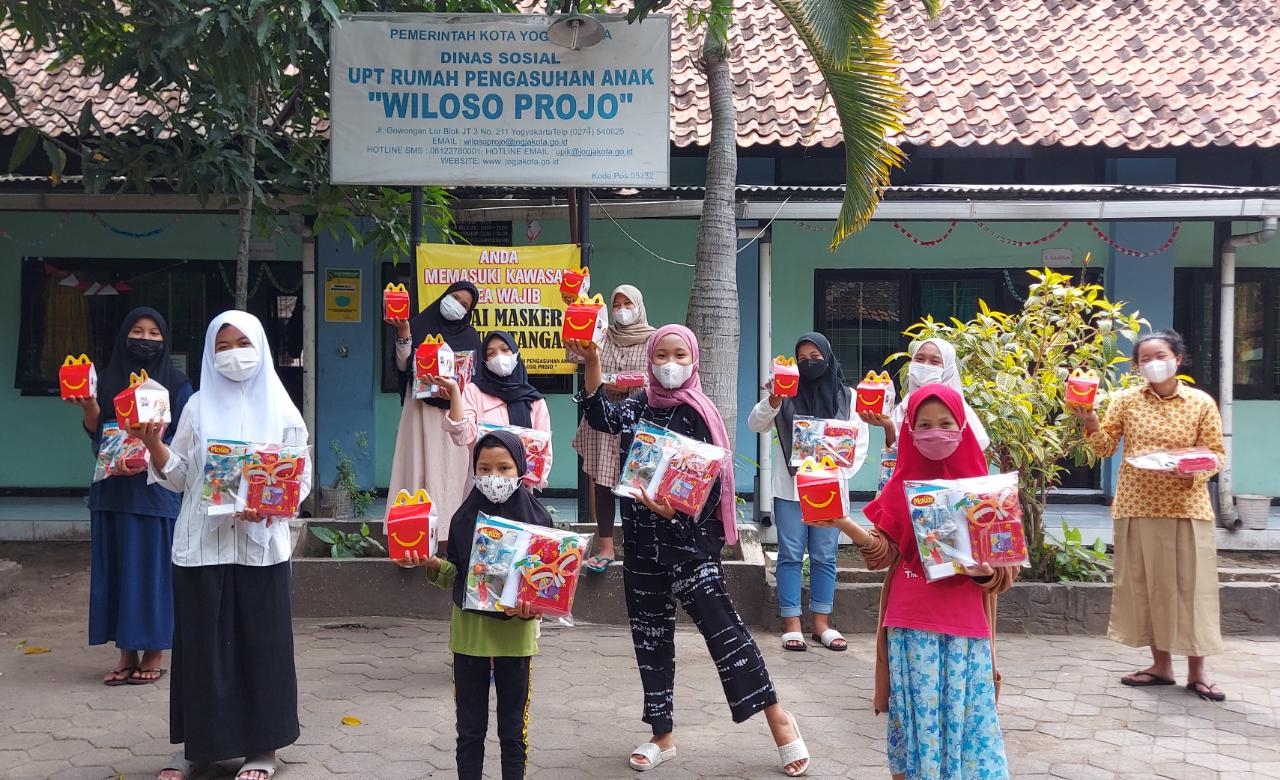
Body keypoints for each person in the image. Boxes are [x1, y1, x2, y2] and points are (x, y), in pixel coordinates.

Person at [579, 325, 811, 777]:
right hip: (643, 543)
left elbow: (710, 485)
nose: (669, 363)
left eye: (679, 354)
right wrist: (591, 362)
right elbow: (599, 415)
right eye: (661, 354)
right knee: (650, 637)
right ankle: (661, 734)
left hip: (690, 546)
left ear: (694, 360)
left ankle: (777, 716)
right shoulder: (638, 404)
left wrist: (676, 511)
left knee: (724, 631)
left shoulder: (701, 413)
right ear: (649, 359)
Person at [141, 311, 311, 780]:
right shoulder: (196, 407)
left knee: (263, 648)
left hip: (261, 550)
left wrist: (270, 506)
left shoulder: (283, 410)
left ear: (260, 346)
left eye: (243, 342)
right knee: (201, 652)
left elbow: (300, 484)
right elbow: (178, 479)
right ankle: (200, 748)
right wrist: (154, 444)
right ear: (210, 354)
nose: (234, 353)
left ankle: (264, 749)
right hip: (202, 549)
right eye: (223, 344)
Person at [826, 385, 1015, 780]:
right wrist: (842, 522)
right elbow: (882, 555)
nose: (934, 432)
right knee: (918, 727)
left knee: (970, 728)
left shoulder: (986, 492)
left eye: (945, 423)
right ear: (909, 428)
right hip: (911, 626)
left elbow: (1004, 575)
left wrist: (982, 568)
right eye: (923, 424)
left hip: (967, 629)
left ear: (962, 426)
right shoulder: (900, 485)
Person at [1072, 329, 1226, 701]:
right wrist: (1088, 418)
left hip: (1186, 507)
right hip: (1136, 505)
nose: (1153, 364)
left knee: (1192, 589)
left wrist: (1190, 467)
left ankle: (1197, 671)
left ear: (1178, 359)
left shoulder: (1200, 402)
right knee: (1146, 586)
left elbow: (1216, 454)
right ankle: (1160, 665)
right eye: (1144, 359)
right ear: (1136, 365)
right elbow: (1105, 446)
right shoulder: (1126, 401)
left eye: (1160, 356)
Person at [397, 430, 551, 780]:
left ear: (521, 470)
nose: (493, 478)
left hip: (516, 638)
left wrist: (535, 605)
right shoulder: (464, 519)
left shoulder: (539, 522)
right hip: (470, 637)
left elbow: (547, 585)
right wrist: (433, 564)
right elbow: (458, 574)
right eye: (484, 468)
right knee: (470, 731)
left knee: (513, 732)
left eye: (503, 468)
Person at [66, 308, 193, 686]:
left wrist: (150, 455)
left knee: (151, 574)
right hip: (112, 490)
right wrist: (90, 406)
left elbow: (183, 440)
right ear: (124, 335)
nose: (146, 338)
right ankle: (125, 652)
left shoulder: (177, 384)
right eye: (137, 330)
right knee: (118, 571)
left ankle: (154, 651)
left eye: (154, 332)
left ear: (165, 339)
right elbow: (96, 434)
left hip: (156, 496)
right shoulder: (105, 380)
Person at [747, 332, 867, 652]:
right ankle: (791, 624)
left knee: (825, 556)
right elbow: (755, 424)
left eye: (815, 357)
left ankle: (822, 624)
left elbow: (859, 443)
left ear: (827, 357)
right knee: (789, 554)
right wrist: (774, 399)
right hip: (790, 490)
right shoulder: (785, 393)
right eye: (802, 358)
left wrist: (837, 473)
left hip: (829, 490)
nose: (809, 363)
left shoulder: (847, 397)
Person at [388, 282, 483, 547]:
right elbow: (402, 365)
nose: (457, 306)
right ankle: (408, 540)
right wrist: (405, 331)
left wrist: (454, 392)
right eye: (455, 298)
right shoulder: (418, 325)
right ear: (444, 296)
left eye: (465, 305)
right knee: (415, 473)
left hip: (452, 418)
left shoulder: (471, 338)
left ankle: (446, 541)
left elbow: (474, 382)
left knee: (448, 478)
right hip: (418, 414)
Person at [571, 285, 656, 573]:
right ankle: (606, 546)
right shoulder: (602, 335)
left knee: (638, 484)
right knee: (603, 484)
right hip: (602, 419)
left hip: (638, 420)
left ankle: (640, 547)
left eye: (627, 303)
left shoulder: (654, 339)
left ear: (639, 305)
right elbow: (575, 356)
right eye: (616, 303)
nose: (621, 309)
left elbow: (657, 378)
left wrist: (628, 384)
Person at [434, 331, 553, 489]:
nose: (499, 357)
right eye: (491, 353)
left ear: (516, 355)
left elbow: (543, 450)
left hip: (520, 490)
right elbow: (462, 436)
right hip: (480, 488)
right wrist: (455, 392)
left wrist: (532, 479)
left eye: (505, 350)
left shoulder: (535, 400)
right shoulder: (474, 391)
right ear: (485, 361)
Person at [862, 337, 990, 450]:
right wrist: (888, 425)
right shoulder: (906, 404)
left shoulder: (957, 408)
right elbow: (900, 449)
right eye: (919, 359)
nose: (925, 365)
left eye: (934, 362)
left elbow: (974, 448)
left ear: (948, 369)